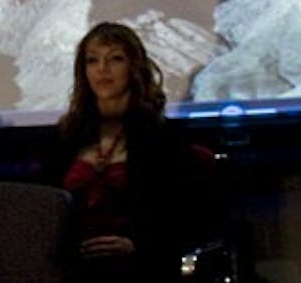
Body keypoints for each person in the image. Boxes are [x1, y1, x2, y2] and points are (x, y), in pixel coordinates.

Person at [41, 22, 206, 282]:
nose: (102, 69)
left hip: (140, 267)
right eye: (92, 60)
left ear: (134, 67)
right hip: (70, 268)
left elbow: (189, 218)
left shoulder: (163, 139)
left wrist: (136, 245)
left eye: (115, 59)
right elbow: (42, 212)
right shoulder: (64, 138)